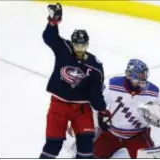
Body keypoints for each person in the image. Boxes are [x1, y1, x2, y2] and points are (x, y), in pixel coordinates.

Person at [39, 3, 111, 159]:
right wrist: (53, 22)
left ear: (87, 45)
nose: (79, 48)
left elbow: (95, 93)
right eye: (76, 45)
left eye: (82, 45)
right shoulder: (63, 49)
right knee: (53, 144)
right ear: (72, 43)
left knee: (86, 147)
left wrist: (102, 110)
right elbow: (49, 37)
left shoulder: (95, 66)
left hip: (81, 109)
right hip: (59, 105)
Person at [93, 59, 160, 158]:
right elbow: (95, 100)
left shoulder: (153, 91)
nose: (144, 77)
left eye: (144, 74)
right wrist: (100, 115)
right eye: (141, 74)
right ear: (131, 75)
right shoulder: (111, 85)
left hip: (138, 135)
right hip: (110, 133)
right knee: (90, 155)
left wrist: (158, 112)